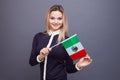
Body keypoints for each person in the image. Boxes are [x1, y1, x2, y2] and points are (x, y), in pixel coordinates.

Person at [29, 4, 92, 80]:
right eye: (52, 18)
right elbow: (32, 62)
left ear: (63, 20)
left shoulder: (69, 41)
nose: (56, 22)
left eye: (59, 18)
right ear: (48, 19)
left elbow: (69, 69)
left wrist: (79, 65)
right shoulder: (38, 36)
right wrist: (41, 56)